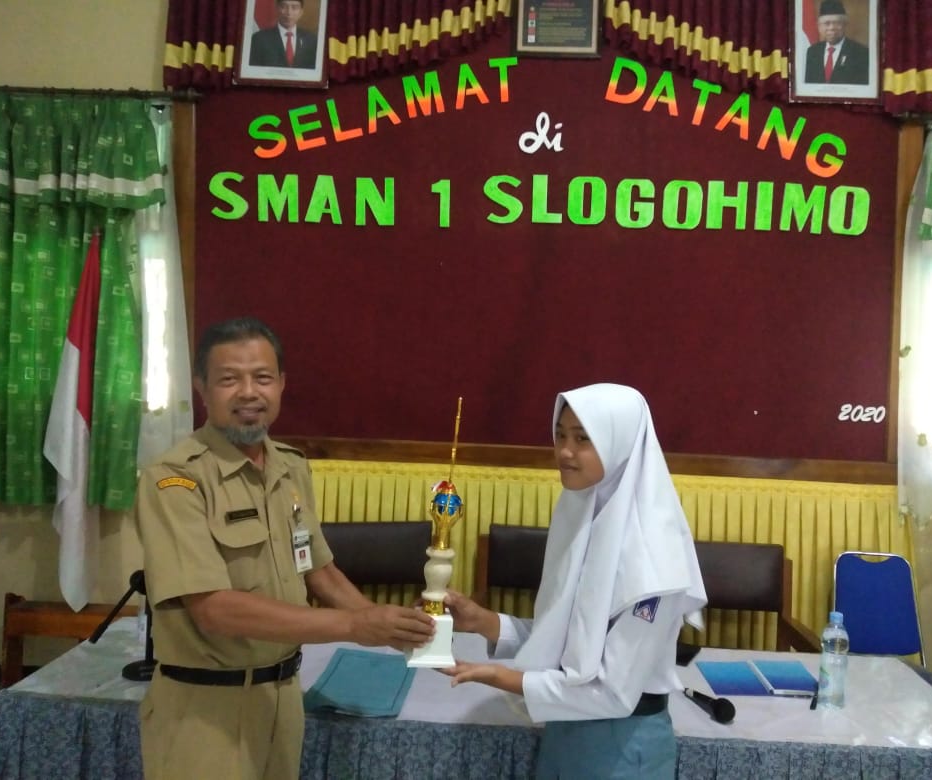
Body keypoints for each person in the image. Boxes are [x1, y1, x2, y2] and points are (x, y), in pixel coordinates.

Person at [135, 317, 435, 779]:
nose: (248, 393)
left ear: (281, 384)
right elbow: (213, 609)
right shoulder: (176, 479)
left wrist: (388, 626)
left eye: (262, 377)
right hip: (204, 713)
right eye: (229, 379)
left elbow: (318, 569)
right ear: (202, 388)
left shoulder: (290, 467)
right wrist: (355, 625)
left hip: (281, 704)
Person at [443, 383, 707, 779]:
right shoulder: (582, 515)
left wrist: (500, 676)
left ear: (619, 443)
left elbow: (612, 692)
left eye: (583, 438)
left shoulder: (654, 560)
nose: (565, 451)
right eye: (560, 435)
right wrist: (483, 621)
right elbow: (570, 640)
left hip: (621, 747)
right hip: (566, 730)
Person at [804, 0, 870, 85]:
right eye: (827, 23)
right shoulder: (812, 52)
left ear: (844, 25)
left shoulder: (861, 53)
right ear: (819, 26)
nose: (831, 28)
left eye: (837, 23)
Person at [249, 0, 320, 69]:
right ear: (277, 9)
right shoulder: (258, 39)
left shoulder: (312, 40)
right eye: (284, 6)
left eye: (294, 7)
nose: (289, 12)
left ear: (301, 12)